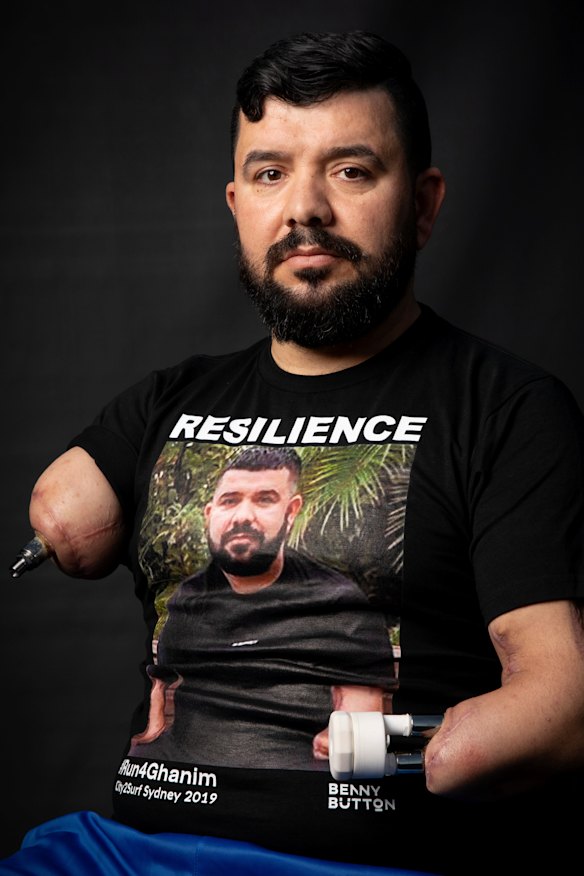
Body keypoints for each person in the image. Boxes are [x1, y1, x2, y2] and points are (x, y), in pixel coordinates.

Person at [4, 28, 584, 876]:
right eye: (272, 173)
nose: (304, 207)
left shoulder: (508, 411)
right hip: (132, 856)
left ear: (422, 204)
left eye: (351, 171)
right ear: (238, 204)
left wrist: (452, 749)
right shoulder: (167, 401)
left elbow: (559, 699)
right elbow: (73, 527)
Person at [129, 445, 394, 768]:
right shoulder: (189, 596)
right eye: (230, 500)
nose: (243, 516)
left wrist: (338, 740)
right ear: (210, 513)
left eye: (264, 499)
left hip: (296, 779)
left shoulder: (338, 601)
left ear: (291, 510)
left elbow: (360, 723)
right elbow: (163, 683)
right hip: (185, 778)